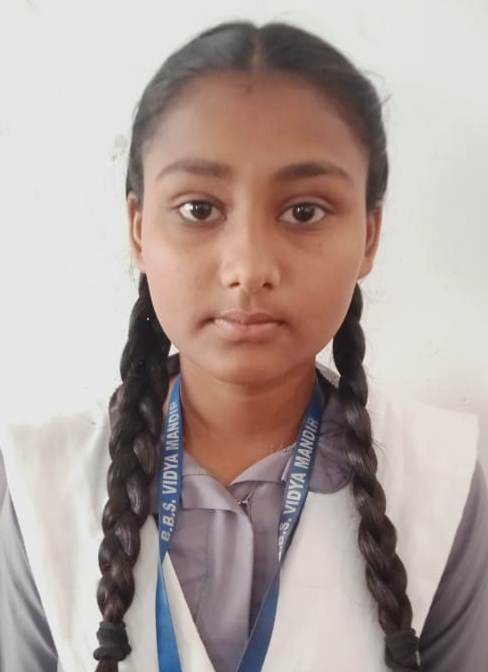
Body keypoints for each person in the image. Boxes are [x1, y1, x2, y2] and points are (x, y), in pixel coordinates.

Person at [1, 19, 488, 672]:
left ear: (370, 235)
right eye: (199, 209)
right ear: (138, 228)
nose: (249, 267)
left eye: (304, 211)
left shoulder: (440, 479)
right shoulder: (40, 483)